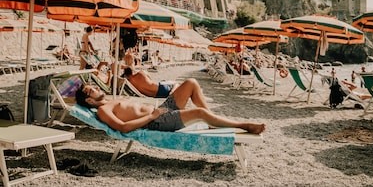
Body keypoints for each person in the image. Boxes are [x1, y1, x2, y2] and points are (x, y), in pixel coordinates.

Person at [75, 84, 266, 134]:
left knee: (190, 83)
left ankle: (212, 121)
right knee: (199, 113)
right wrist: (152, 116)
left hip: (160, 110)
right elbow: (123, 128)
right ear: (90, 102)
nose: (97, 88)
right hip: (157, 121)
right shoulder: (102, 111)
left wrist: (158, 108)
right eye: (92, 90)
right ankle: (244, 125)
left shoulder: (112, 100)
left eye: (95, 86)